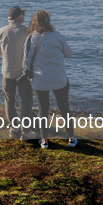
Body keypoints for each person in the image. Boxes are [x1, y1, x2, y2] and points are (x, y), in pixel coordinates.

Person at [23, 10, 76, 149]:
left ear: (34, 22)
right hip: (59, 78)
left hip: (40, 79)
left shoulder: (31, 38)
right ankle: (71, 138)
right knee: (65, 108)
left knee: (42, 109)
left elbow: (26, 61)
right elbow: (68, 54)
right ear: (49, 21)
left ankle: (45, 140)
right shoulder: (57, 36)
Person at [0, 6, 34, 139]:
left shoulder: (1, 31)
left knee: (9, 100)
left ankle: (14, 129)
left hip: (7, 71)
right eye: (23, 15)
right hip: (22, 73)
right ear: (18, 18)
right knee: (27, 100)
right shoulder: (27, 31)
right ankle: (26, 131)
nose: (24, 17)